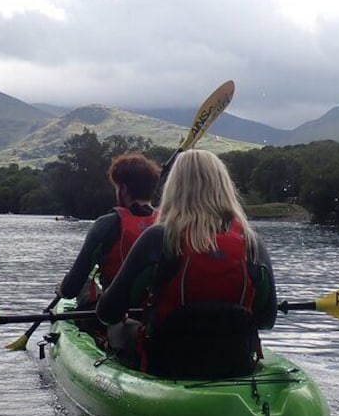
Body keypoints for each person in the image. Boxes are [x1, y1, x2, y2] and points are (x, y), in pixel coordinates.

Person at [96, 149, 277, 377]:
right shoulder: (252, 242)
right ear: (225, 188)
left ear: (174, 188)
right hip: (235, 362)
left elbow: (108, 313)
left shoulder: (158, 237)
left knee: (117, 328)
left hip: (168, 363)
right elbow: (267, 320)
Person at [56, 153, 161, 316]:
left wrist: (61, 289)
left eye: (117, 188)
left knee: (84, 286)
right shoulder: (169, 223)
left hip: (115, 315)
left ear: (124, 189)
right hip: (154, 314)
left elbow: (71, 289)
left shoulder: (106, 225)